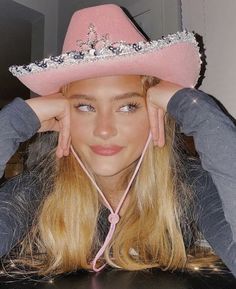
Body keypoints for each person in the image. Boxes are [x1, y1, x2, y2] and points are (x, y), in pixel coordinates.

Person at [0, 4, 235, 278]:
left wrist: (195, 108)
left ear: (156, 114)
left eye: (127, 107)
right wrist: (15, 120)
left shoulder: (189, 184)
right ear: (63, 117)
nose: (104, 130)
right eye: (85, 107)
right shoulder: (38, 190)